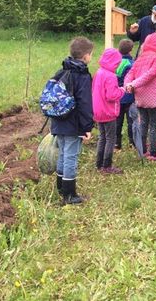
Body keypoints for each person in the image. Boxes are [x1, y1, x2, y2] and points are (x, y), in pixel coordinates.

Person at [51, 37, 94, 205]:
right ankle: (70, 195)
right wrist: (87, 127)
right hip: (73, 123)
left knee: (63, 154)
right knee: (71, 156)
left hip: (58, 121)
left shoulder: (62, 70)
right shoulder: (81, 75)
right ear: (85, 56)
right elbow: (84, 103)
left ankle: (61, 188)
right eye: (91, 54)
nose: (91, 57)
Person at [124, 33, 156, 161]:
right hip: (154, 98)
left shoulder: (140, 58)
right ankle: (153, 154)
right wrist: (132, 84)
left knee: (143, 123)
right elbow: (151, 74)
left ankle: (142, 151)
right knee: (154, 125)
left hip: (140, 97)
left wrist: (128, 85)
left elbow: (130, 74)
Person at [92, 48, 127, 174]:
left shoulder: (99, 72)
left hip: (98, 111)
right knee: (110, 138)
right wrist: (122, 90)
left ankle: (99, 163)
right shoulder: (111, 76)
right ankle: (107, 166)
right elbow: (112, 96)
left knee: (102, 137)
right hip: (108, 112)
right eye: (117, 63)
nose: (117, 66)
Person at [115, 39, 138, 150]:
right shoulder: (131, 64)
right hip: (129, 97)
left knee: (118, 122)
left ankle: (116, 143)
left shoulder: (116, 63)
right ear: (131, 50)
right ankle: (132, 143)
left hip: (117, 97)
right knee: (131, 121)